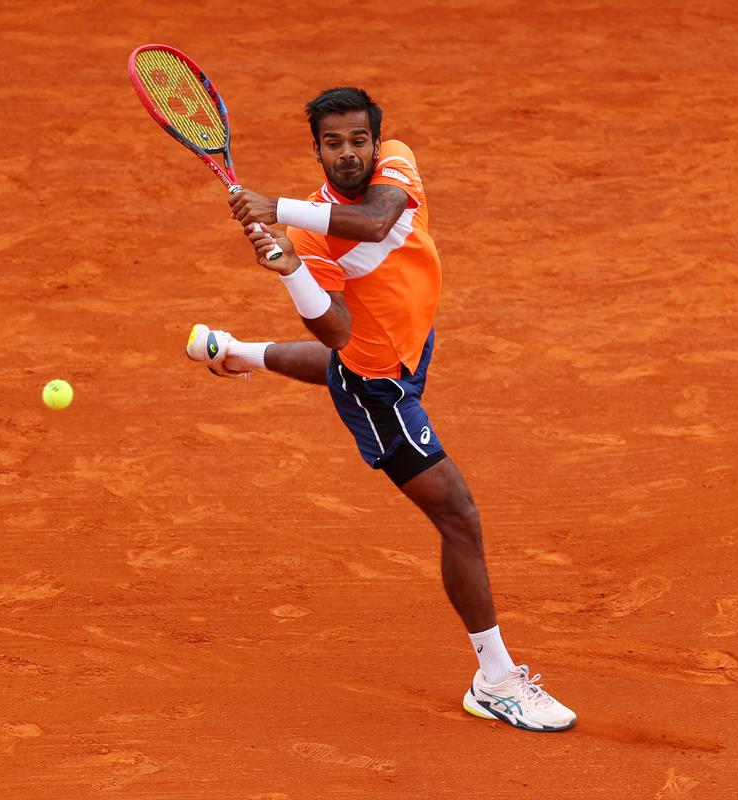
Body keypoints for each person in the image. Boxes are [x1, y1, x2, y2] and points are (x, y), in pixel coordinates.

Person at [185, 87, 575, 732]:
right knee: (458, 515)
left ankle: (238, 352)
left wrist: (276, 209)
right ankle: (497, 680)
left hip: (409, 341)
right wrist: (288, 268)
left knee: (345, 368)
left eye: (357, 140)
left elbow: (375, 221)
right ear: (317, 150)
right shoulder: (309, 231)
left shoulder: (394, 163)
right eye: (332, 143)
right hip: (381, 388)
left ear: (376, 140)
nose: (348, 153)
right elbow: (335, 334)